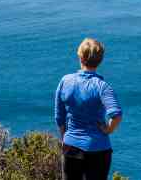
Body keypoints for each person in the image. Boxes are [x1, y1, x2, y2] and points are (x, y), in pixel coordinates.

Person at [55, 38, 123, 180]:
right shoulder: (102, 86)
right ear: (100, 60)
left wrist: (65, 137)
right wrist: (108, 130)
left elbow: (59, 117)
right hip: (97, 148)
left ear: (80, 57)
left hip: (71, 146)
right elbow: (116, 115)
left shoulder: (65, 81)